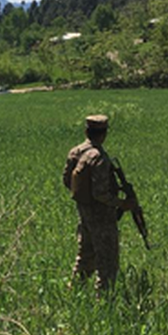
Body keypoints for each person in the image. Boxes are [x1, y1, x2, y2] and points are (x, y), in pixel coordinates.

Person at [62, 115, 136, 292]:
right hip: (101, 215)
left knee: (86, 255)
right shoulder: (98, 157)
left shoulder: (75, 152)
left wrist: (84, 199)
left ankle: (75, 291)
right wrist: (121, 204)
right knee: (107, 261)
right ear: (103, 134)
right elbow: (100, 194)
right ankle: (103, 301)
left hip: (84, 212)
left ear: (86, 132)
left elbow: (67, 181)